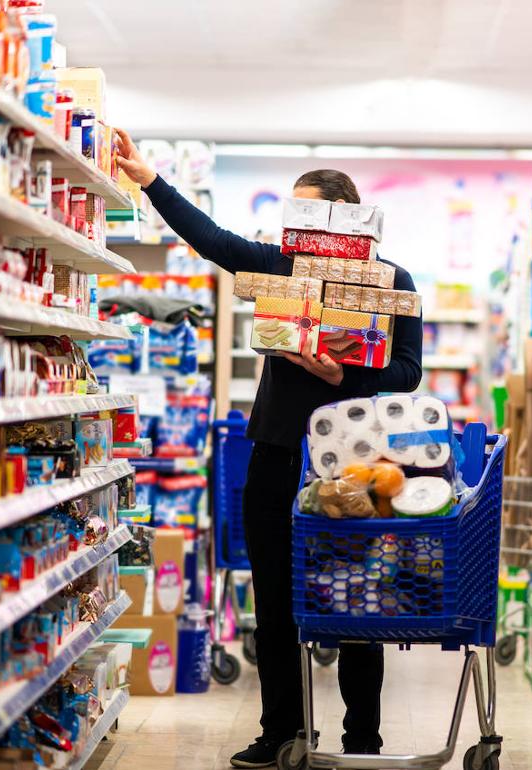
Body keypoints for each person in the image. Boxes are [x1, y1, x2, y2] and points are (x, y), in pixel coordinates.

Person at [114, 130, 424, 768]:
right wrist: (150, 181)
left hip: (356, 469)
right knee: (275, 604)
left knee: (357, 600)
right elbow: (214, 241)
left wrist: (346, 376)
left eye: (307, 215)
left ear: (345, 220)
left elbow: (410, 372)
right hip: (277, 456)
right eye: (292, 217)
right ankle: (282, 730)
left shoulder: (391, 282)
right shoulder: (280, 268)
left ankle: (362, 737)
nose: (296, 231)